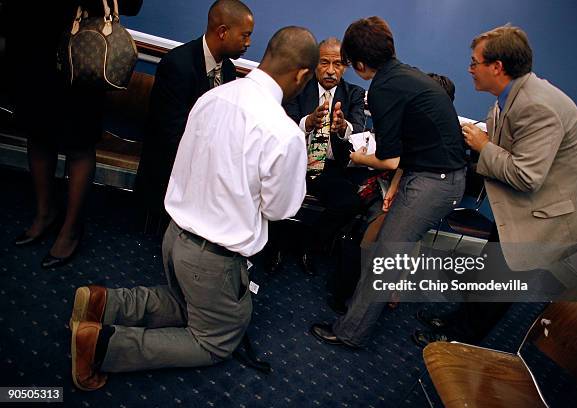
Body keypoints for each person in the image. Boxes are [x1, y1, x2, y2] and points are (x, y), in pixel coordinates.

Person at [69, 26, 319, 391]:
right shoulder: (284, 132)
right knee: (214, 340)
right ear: (302, 75)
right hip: (213, 259)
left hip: (174, 237)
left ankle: (102, 303)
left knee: (184, 302)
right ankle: (102, 345)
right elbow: (280, 209)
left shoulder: (213, 96)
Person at [414, 24, 577, 346]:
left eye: (475, 62)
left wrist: (483, 147)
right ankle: (460, 320)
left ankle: (462, 339)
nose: (470, 69)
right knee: (491, 267)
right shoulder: (508, 97)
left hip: (548, 211)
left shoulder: (537, 106)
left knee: (501, 279)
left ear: (497, 67)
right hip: (526, 205)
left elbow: (526, 175)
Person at [310, 16, 466, 348]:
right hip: (435, 176)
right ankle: (365, 311)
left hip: (433, 182)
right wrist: (395, 186)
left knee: (384, 257)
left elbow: (392, 158)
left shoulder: (382, 88)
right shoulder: (404, 73)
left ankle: (350, 333)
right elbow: (411, 146)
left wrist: (355, 157)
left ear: (361, 63)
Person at [8, 0, 143, 268]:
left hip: (82, 49)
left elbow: (132, 4)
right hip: (34, 42)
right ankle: (44, 213)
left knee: (79, 142)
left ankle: (71, 229)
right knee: (37, 133)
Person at [135, 0, 254, 229]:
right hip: (170, 165)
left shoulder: (228, 70)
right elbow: (169, 132)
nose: (248, 43)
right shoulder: (178, 64)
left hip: (202, 160)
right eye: (245, 36)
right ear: (222, 32)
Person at [277, 37, 367, 273]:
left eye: (337, 64)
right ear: (315, 63)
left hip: (330, 167)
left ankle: (310, 244)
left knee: (350, 203)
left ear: (345, 66)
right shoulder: (299, 86)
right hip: (295, 162)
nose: (330, 70)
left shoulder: (354, 94)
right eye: (324, 63)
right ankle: (277, 245)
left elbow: (357, 127)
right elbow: (283, 121)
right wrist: (308, 122)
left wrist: (341, 127)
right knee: (273, 189)